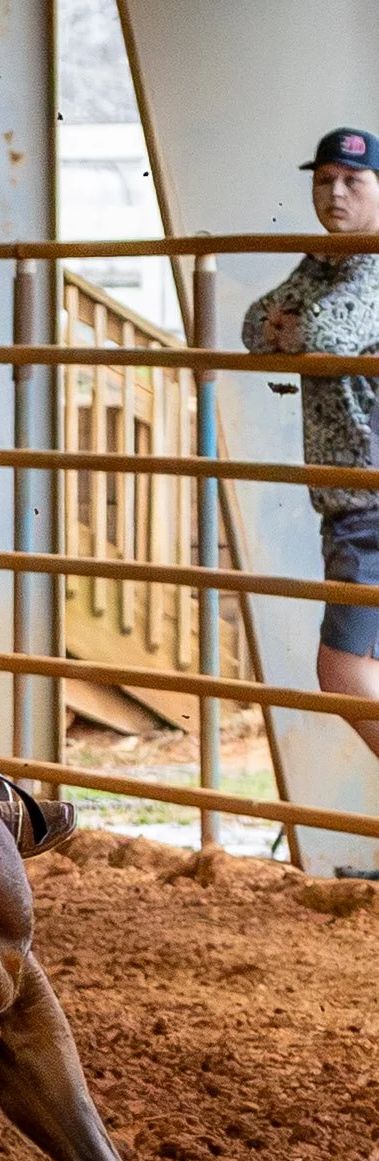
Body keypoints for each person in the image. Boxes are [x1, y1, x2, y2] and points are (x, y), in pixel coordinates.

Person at [243, 126, 379, 765]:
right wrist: (291, 327)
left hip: (369, 502)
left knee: (343, 673)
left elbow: (328, 334)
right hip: (351, 498)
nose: (336, 194)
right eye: (324, 180)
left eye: (353, 180)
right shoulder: (321, 262)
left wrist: (294, 326)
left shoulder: (372, 264)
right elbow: (252, 324)